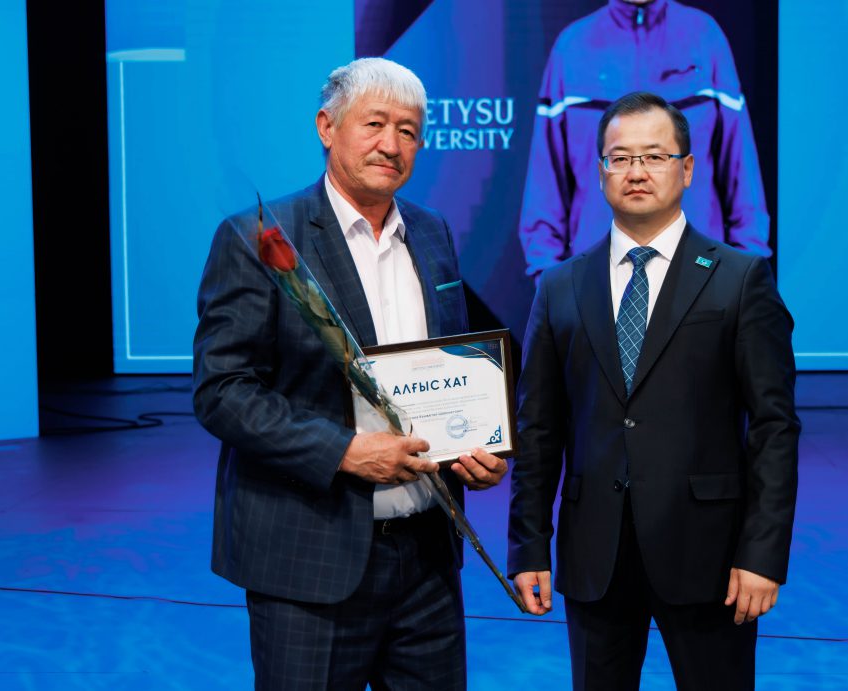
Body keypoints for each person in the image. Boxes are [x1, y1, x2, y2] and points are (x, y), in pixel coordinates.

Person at [193, 57, 507, 690]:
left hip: (427, 558)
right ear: (326, 127)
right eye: (375, 124)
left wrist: (475, 452)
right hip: (309, 560)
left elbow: (444, 372)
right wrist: (345, 452)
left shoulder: (432, 232)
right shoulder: (260, 237)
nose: (392, 145)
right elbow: (223, 391)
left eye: (409, 131)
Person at [508, 91, 799, 691]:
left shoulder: (740, 279)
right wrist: (529, 547)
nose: (636, 171)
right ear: (600, 172)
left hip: (711, 557)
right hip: (595, 558)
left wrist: (762, 554)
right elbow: (538, 430)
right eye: (620, 158)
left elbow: (774, 428)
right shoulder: (560, 287)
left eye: (655, 156)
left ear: (687, 169)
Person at [519, 0, 770, 280]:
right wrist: (550, 284)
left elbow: (742, 178)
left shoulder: (704, 36)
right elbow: (545, 187)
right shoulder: (572, 47)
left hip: (699, 276)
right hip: (596, 281)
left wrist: (743, 278)